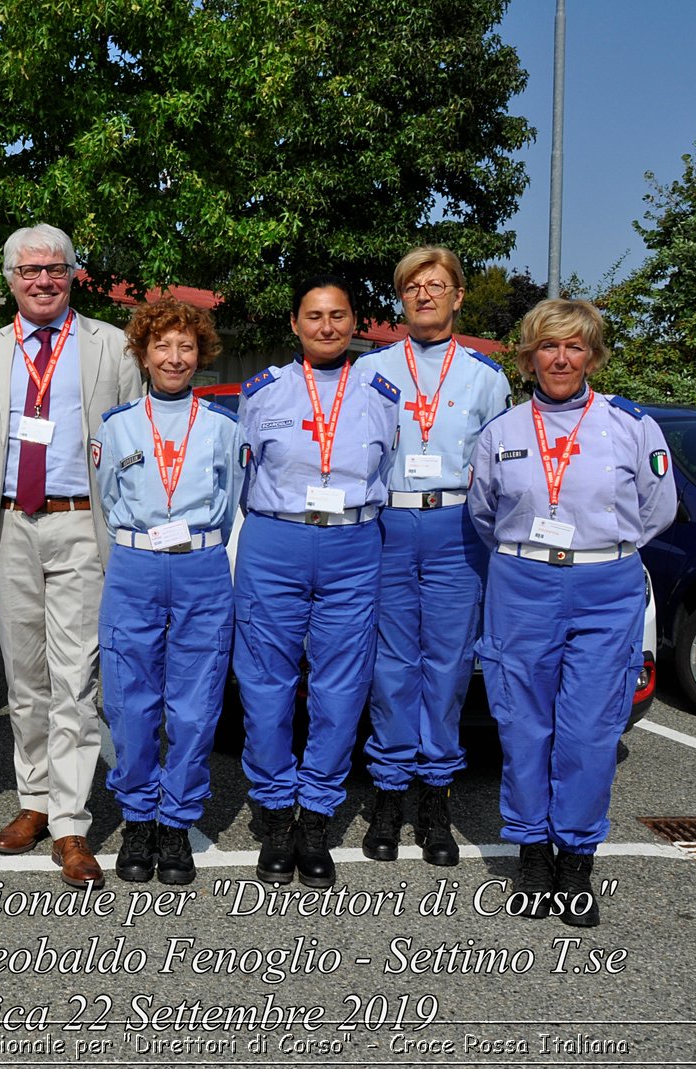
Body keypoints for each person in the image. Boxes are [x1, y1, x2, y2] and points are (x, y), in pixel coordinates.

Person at [468, 298, 675, 927]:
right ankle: (532, 851)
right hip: (523, 582)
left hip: (604, 584)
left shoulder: (633, 425)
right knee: (523, 723)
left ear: (593, 355)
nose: (561, 358)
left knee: (589, 729)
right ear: (530, 357)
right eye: (548, 347)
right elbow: (482, 514)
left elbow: (658, 507)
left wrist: (601, 552)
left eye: (575, 347)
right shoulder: (502, 431)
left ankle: (576, 857)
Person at [0, 223, 143, 889]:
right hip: (10, 523)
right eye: (29, 270)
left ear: (74, 274)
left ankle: (71, 823)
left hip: (81, 523)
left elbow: (134, 439)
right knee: (25, 678)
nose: (43, 280)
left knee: (77, 679)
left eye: (55, 268)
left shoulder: (109, 346)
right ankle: (34, 799)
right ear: (10, 279)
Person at [234, 275, 399, 888]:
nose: (327, 327)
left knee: (341, 684)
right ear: (295, 325)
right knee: (265, 681)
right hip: (276, 540)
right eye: (314, 316)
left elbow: (385, 466)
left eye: (338, 315)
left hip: (353, 544)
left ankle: (317, 814)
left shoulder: (382, 393)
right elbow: (241, 473)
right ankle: (276, 810)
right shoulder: (264, 392)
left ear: (356, 321)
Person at [353, 246, 512, 866]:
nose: (424, 295)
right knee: (392, 665)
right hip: (389, 522)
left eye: (437, 285)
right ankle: (390, 793)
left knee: (446, 667)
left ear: (458, 296)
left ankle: (436, 799)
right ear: (401, 297)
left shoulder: (485, 375)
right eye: (413, 286)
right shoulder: (373, 370)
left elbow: (501, 467)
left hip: (456, 526)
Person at [90, 297, 243, 886]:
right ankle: (137, 816)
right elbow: (107, 500)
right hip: (136, 566)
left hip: (201, 569)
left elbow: (230, 504)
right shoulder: (117, 425)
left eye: (186, 347)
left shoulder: (224, 429)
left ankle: (176, 819)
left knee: (195, 701)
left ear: (200, 354)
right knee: (130, 699)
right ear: (144, 354)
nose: (175, 358)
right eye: (163, 346)